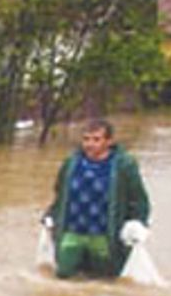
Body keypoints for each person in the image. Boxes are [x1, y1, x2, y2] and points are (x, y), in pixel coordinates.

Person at [42, 119, 151, 280]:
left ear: (109, 141)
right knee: (63, 276)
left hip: (104, 235)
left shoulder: (124, 165)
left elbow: (139, 199)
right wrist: (50, 216)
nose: (89, 144)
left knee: (105, 282)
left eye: (96, 139)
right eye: (86, 139)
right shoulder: (71, 163)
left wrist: (139, 223)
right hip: (72, 231)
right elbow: (60, 194)